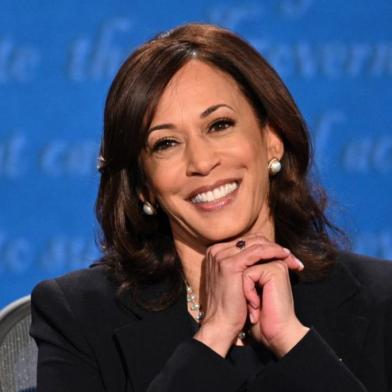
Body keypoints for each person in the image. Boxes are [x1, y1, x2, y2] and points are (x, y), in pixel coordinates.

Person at [30, 23, 392, 392]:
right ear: (144, 187)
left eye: (219, 125)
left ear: (272, 140)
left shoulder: (381, 300)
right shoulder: (78, 316)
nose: (201, 162)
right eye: (166, 143)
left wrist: (293, 340)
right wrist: (212, 337)